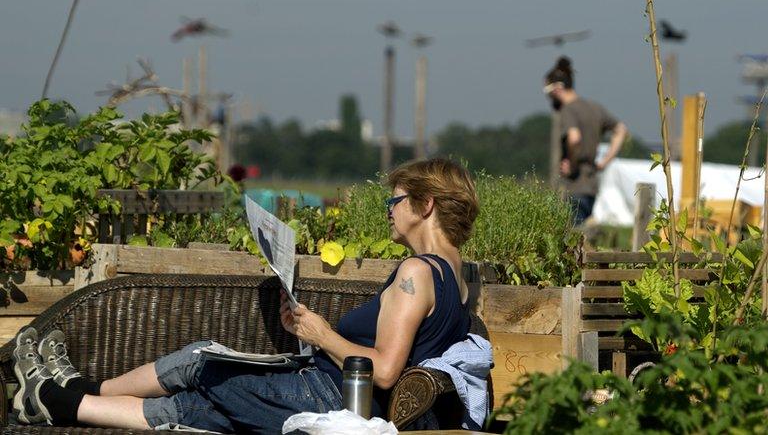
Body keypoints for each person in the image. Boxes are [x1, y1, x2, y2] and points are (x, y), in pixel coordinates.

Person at [12, 158, 481, 432]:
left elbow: (383, 371)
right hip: (323, 389)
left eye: (393, 202)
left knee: (207, 370)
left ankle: (68, 397)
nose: (388, 212)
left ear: (425, 205)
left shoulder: (416, 272)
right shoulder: (460, 275)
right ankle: (69, 399)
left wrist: (319, 334)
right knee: (203, 391)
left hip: (326, 397)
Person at [544, 56, 629, 226]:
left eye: (547, 91)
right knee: (583, 238)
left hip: (574, 187)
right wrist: (604, 162)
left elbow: (574, 139)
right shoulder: (594, 108)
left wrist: (573, 165)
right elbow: (621, 130)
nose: (548, 97)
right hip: (591, 186)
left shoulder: (568, 110)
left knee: (571, 242)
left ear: (558, 89)